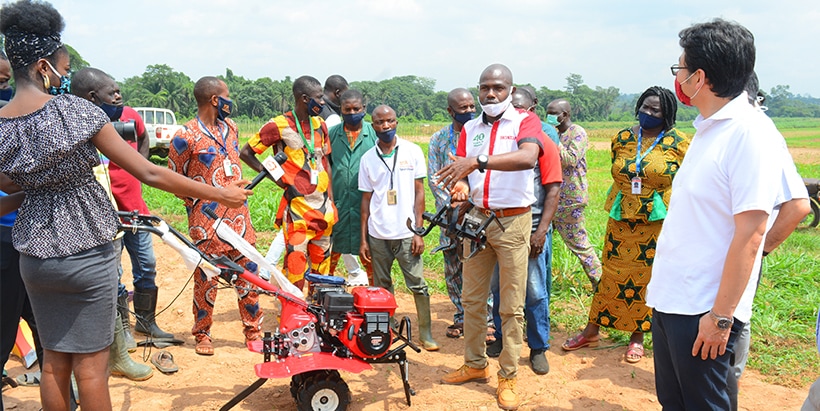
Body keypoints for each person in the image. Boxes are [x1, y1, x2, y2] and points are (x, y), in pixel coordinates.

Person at [0, 1, 250, 408]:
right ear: (45, 66)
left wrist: (39, 187)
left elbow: (14, 187)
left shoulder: (2, 125)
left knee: (52, 364)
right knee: (92, 368)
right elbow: (149, 172)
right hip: (86, 252)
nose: (64, 75)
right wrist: (221, 194)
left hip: (34, 256)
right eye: (62, 68)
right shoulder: (76, 113)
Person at [647, 19, 789, 410]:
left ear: (699, 77)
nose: (678, 77)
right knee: (674, 403)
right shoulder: (711, 129)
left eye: (680, 68)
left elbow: (752, 232)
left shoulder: (749, 134)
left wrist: (721, 317)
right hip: (673, 299)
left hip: (704, 311)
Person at [437, 64, 545, 411]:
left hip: (514, 223)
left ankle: (509, 375)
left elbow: (528, 158)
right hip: (478, 220)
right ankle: (475, 364)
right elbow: (464, 175)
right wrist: (460, 186)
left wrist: (477, 162)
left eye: (498, 88)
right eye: (484, 87)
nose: (490, 94)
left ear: (510, 91)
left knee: (511, 306)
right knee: (472, 299)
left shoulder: (525, 122)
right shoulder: (470, 127)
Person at [561, 86, 689, 364]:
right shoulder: (622, 138)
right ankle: (591, 331)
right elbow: (618, 172)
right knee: (610, 275)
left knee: (644, 279)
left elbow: (684, 183)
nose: (648, 113)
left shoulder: (679, 142)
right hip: (620, 219)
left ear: (668, 114)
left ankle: (637, 337)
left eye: (656, 110)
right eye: (645, 107)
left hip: (655, 222)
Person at [71, 68, 176, 351]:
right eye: (112, 93)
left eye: (118, 91)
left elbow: (143, 139)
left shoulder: (130, 115)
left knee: (146, 265)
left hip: (135, 210)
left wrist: (136, 166)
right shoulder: (80, 125)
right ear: (94, 97)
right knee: (114, 274)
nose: (118, 96)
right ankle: (123, 333)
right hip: (105, 215)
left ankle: (146, 322)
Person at [728, 73, 811, 410]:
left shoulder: (758, 133)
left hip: (743, 252)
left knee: (735, 318)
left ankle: (728, 385)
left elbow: (798, 206)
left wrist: (760, 249)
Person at [168, 76, 263, 356]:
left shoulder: (231, 128)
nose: (230, 102)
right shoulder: (185, 136)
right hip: (206, 222)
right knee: (206, 278)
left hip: (239, 219)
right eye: (227, 96)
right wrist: (202, 205)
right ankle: (202, 334)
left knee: (249, 274)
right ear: (215, 100)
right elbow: (175, 181)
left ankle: (253, 330)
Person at [486, 87, 562, 375]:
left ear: (531, 110)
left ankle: (539, 347)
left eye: (522, 108)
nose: (517, 113)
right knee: (498, 286)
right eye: (512, 108)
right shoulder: (500, 143)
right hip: (495, 225)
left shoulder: (542, 143)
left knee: (533, 291)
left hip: (530, 226)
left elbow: (553, 189)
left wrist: (541, 231)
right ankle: (503, 338)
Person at [240, 75, 337, 289]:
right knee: (295, 268)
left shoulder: (320, 124)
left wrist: (332, 202)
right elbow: (246, 153)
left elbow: (325, 163)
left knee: (323, 271)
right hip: (297, 210)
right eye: (318, 98)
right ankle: (292, 318)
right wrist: (279, 179)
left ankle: (317, 318)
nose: (322, 103)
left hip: (323, 210)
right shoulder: (278, 125)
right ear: (304, 99)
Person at [358, 104, 439, 351]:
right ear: (373, 126)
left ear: (396, 122)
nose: (386, 126)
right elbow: (366, 200)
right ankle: (388, 329)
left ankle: (425, 332)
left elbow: (419, 192)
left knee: (417, 283)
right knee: (382, 286)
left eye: (390, 121)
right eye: (380, 123)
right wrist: (363, 240)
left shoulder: (412, 151)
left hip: (406, 233)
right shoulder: (368, 158)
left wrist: (418, 231)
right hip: (378, 233)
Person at [427, 87, 494, 340]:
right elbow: (435, 178)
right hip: (448, 214)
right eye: (462, 108)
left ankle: (486, 320)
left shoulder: (483, 135)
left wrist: (468, 203)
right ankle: (461, 317)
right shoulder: (439, 139)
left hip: (477, 211)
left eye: (470, 107)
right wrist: (452, 205)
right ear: (450, 110)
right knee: (453, 265)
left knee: (479, 264)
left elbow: (488, 173)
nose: (468, 111)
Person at [546, 98, 602, 289]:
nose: (549, 117)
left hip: (570, 199)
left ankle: (600, 284)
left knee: (579, 243)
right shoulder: (554, 133)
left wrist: (554, 141)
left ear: (565, 115)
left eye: (553, 113)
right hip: (550, 197)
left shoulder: (576, 133)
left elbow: (570, 159)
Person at [327, 89, 376, 286]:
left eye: (356, 108)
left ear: (364, 109)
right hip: (337, 202)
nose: (352, 112)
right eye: (347, 109)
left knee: (368, 253)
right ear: (341, 110)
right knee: (330, 253)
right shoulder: (331, 135)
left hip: (365, 206)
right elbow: (326, 167)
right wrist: (329, 201)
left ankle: (374, 295)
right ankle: (321, 290)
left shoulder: (374, 134)